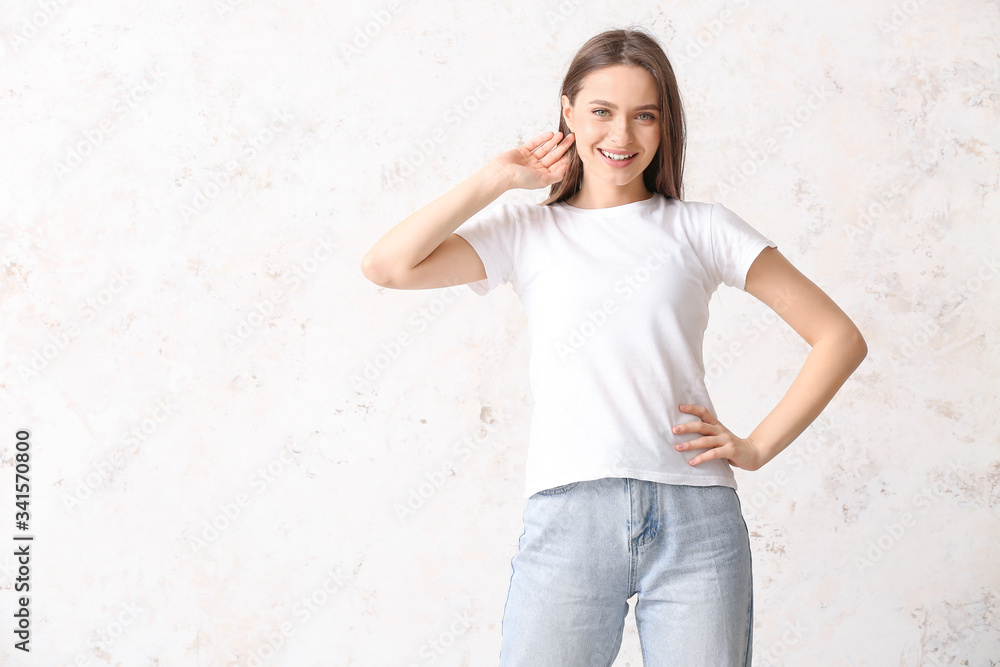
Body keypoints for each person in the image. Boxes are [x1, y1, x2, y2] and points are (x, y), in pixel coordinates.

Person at [362, 26, 867, 667]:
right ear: (567, 112)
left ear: (665, 126)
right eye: (601, 112)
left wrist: (757, 445)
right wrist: (495, 178)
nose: (622, 137)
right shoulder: (526, 230)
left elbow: (838, 337)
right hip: (569, 514)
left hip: (696, 520)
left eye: (644, 116)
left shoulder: (701, 228)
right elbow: (387, 266)